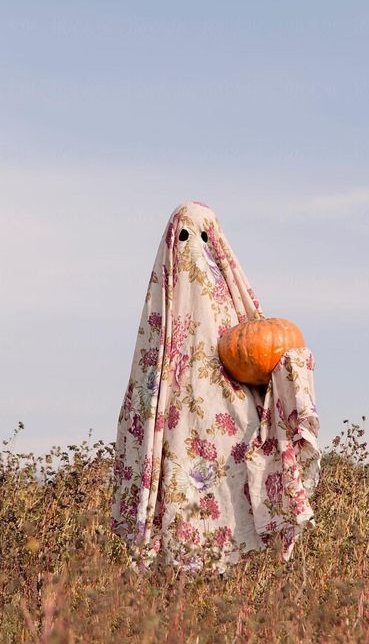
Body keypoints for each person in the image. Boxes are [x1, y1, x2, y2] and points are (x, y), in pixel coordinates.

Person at [111, 200, 321, 575]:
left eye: (204, 237)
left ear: (218, 245)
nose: (195, 247)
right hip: (175, 424)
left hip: (233, 427)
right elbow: (145, 387)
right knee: (180, 500)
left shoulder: (236, 309)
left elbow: (260, 355)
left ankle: (237, 581)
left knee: (234, 509)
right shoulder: (162, 314)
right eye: (186, 237)